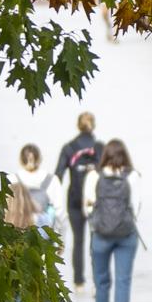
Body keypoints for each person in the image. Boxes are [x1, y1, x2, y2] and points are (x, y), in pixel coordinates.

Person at [0, 144, 59, 302]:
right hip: (31, 267)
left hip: (7, 268)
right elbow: (50, 235)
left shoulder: (3, 220)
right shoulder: (37, 217)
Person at [87, 138, 140, 302]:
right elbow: (137, 205)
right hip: (126, 234)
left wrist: (98, 222)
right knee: (123, 283)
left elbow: (88, 206)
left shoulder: (94, 176)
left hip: (100, 235)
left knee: (101, 283)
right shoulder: (133, 176)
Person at [55, 113, 100, 291]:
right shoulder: (100, 149)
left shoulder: (69, 148)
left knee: (78, 241)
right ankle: (98, 281)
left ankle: (78, 282)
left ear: (78, 126)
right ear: (93, 126)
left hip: (74, 199)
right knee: (96, 241)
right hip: (95, 202)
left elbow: (58, 176)